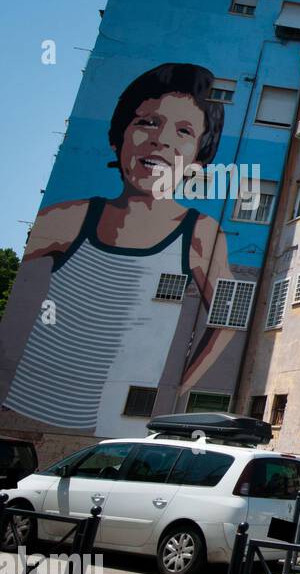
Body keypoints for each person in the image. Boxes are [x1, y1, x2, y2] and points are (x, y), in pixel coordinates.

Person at [4, 63, 234, 434]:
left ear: (197, 160)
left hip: (119, 430)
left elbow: (227, 318)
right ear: (118, 136)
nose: (161, 140)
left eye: (184, 131)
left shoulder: (200, 233)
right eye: (147, 122)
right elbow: (17, 307)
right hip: (22, 412)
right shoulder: (66, 218)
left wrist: (178, 386)